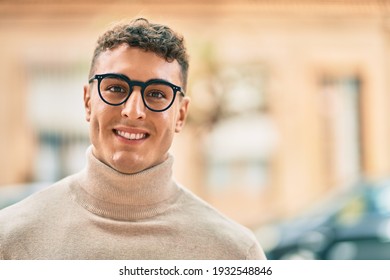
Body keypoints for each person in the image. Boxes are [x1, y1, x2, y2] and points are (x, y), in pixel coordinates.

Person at [0, 18, 266, 260]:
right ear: (87, 101)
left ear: (181, 114)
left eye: (157, 94)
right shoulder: (10, 238)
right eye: (116, 88)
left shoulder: (235, 253)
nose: (133, 111)